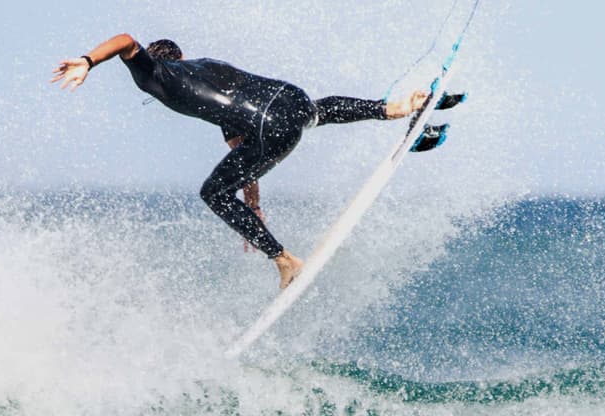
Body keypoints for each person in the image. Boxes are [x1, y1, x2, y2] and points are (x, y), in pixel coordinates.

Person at [51, 34, 443, 289]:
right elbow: (241, 148)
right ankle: (394, 108)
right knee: (316, 111)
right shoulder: (204, 66)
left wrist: (88, 60)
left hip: (270, 128)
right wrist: (252, 206)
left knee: (212, 194)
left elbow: (124, 39)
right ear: (183, 55)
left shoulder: (152, 73)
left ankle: (285, 260)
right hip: (293, 99)